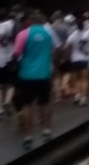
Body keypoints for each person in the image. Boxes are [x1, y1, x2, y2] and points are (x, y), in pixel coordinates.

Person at [13, 10, 58, 149]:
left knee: (27, 106)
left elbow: (16, 53)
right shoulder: (48, 33)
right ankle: (47, 131)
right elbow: (56, 50)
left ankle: (28, 137)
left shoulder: (23, 34)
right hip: (44, 74)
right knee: (45, 103)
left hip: (26, 75)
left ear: (30, 21)